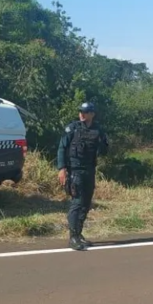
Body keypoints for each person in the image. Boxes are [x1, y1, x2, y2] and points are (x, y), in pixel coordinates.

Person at [57, 102, 109, 250]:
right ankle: (72, 237)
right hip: (75, 171)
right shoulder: (72, 128)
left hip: (89, 171)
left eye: (85, 112)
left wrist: (104, 145)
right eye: (80, 111)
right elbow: (62, 148)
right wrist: (62, 169)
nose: (82, 114)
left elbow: (104, 150)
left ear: (92, 114)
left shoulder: (98, 130)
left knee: (86, 204)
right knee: (77, 203)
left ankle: (79, 234)